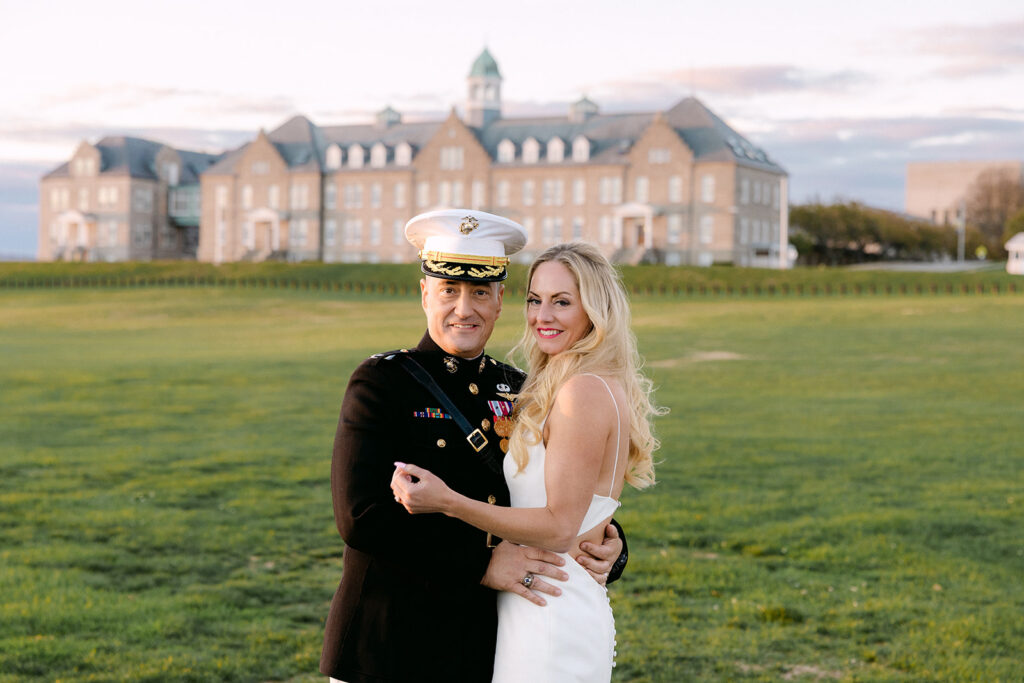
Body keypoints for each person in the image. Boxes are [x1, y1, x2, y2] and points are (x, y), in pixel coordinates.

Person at [320, 211, 628, 683]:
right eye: (449, 290)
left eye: (480, 292)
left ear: (500, 299)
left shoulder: (523, 388)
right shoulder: (383, 383)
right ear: (425, 293)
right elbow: (361, 517)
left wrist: (610, 543)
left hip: (479, 646)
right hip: (390, 645)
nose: (464, 308)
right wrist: (482, 562)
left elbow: (552, 494)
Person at [392, 241, 660, 682]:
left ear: (594, 309)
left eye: (562, 302)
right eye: (535, 300)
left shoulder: (582, 391)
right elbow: (581, 509)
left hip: (549, 612)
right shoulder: (565, 384)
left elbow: (559, 526)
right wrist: (612, 542)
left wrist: (448, 502)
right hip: (544, 601)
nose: (542, 316)